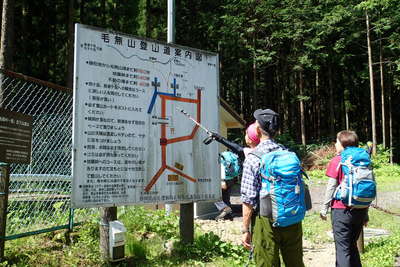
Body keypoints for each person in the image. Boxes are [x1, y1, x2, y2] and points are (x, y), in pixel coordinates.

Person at [241, 109, 305, 267]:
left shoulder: (253, 158)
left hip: (266, 220)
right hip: (292, 216)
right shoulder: (288, 153)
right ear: (276, 131)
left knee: (266, 262)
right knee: (295, 262)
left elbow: (248, 200)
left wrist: (245, 230)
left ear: (257, 130)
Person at [320, 130, 369, 267]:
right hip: (360, 210)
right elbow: (365, 188)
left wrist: (324, 209)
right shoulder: (363, 161)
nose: (335, 144)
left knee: (343, 249)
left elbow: (331, 186)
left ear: (342, 144)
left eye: (336, 141)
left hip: (341, 211)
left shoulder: (338, 160)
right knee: (352, 246)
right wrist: (365, 214)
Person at [212, 122, 261, 220]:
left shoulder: (249, 152)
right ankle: (229, 214)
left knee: (222, 196)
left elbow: (236, 148)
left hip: (228, 177)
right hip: (233, 178)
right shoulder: (268, 150)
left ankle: (228, 213)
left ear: (251, 139)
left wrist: (220, 138)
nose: (245, 136)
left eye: (247, 134)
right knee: (226, 196)